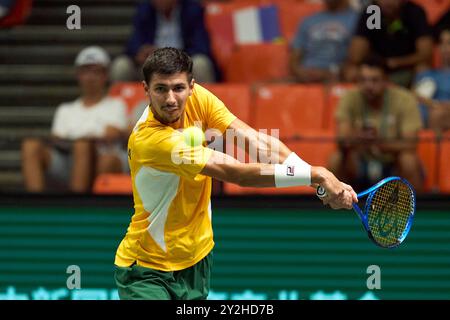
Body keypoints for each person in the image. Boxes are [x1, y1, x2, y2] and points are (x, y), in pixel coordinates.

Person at [114, 47, 358, 300]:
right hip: (146, 269)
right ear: (145, 89)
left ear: (192, 86)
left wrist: (314, 176)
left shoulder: (200, 99)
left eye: (178, 88)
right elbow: (236, 173)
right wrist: (316, 175)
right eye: (160, 89)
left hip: (196, 259)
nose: (171, 98)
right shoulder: (151, 139)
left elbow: (255, 142)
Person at [21, 46, 129, 193]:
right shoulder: (65, 109)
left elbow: (115, 135)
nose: (90, 77)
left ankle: (75, 206)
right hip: (68, 162)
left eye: (96, 72)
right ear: (78, 75)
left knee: (82, 146)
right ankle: (34, 206)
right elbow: (57, 140)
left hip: (101, 159)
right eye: (85, 72)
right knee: (30, 145)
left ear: (105, 75)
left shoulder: (117, 105)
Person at [330, 55, 424, 193]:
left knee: (408, 160)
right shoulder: (349, 98)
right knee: (336, 158)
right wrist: (359, 137)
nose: (368, 86)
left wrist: (380, 143)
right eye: (363, 80)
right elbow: (341, 139)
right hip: (359, 161)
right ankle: (336, 207)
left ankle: (413, 207)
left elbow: (410, 143)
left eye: (374, 80)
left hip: (392, 162)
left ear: (386, 80)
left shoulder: (405, 99)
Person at [110, 0, 216, 83]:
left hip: (182, 64)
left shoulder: (193, 10)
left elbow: (201, 46)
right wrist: (140, 52)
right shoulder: (144, 10)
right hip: (151, 65)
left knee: (201, 63)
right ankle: (118, 108)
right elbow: (133, 43)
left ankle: (203, 108)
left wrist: (172, 55)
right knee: (121, 65)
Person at [344, 0, 434, 88]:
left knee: (423, 68)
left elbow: (426, 53)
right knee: (352, 70)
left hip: (407, 68)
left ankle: (417, 101)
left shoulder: (414, 12)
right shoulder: (372, 12)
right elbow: (356, 56)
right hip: (376, 67)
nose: (387, 2)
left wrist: (398, 62)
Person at [290, 0, 358, 83]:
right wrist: (301, 73)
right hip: (306, 77)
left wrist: (330, 73)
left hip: (338, 76)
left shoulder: (357, 20)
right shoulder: (308, 21)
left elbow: (355, 59)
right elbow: (294, 58)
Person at [413, 29, 450, 134]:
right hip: (431, 120)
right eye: (441, 43)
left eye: (449, 43)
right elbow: (418, 100)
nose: (445, 48)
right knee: (436, 114)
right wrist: (436, 105)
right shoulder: (425, 74)